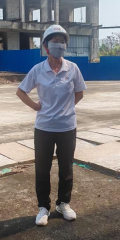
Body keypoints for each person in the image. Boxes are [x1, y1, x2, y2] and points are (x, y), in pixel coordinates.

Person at [16, 25, 87, 226]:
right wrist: (35, 106)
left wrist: (66, 108)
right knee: (42, 169)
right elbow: (21, 91)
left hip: (67, 127)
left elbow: (79, 92)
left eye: (62, 42)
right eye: (55, 41)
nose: (59, 45)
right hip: (44, 128)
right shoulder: (38, 70)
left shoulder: (73, 68)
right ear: (46, 46)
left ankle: (63, 204)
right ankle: (43, 207)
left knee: (66, 168)